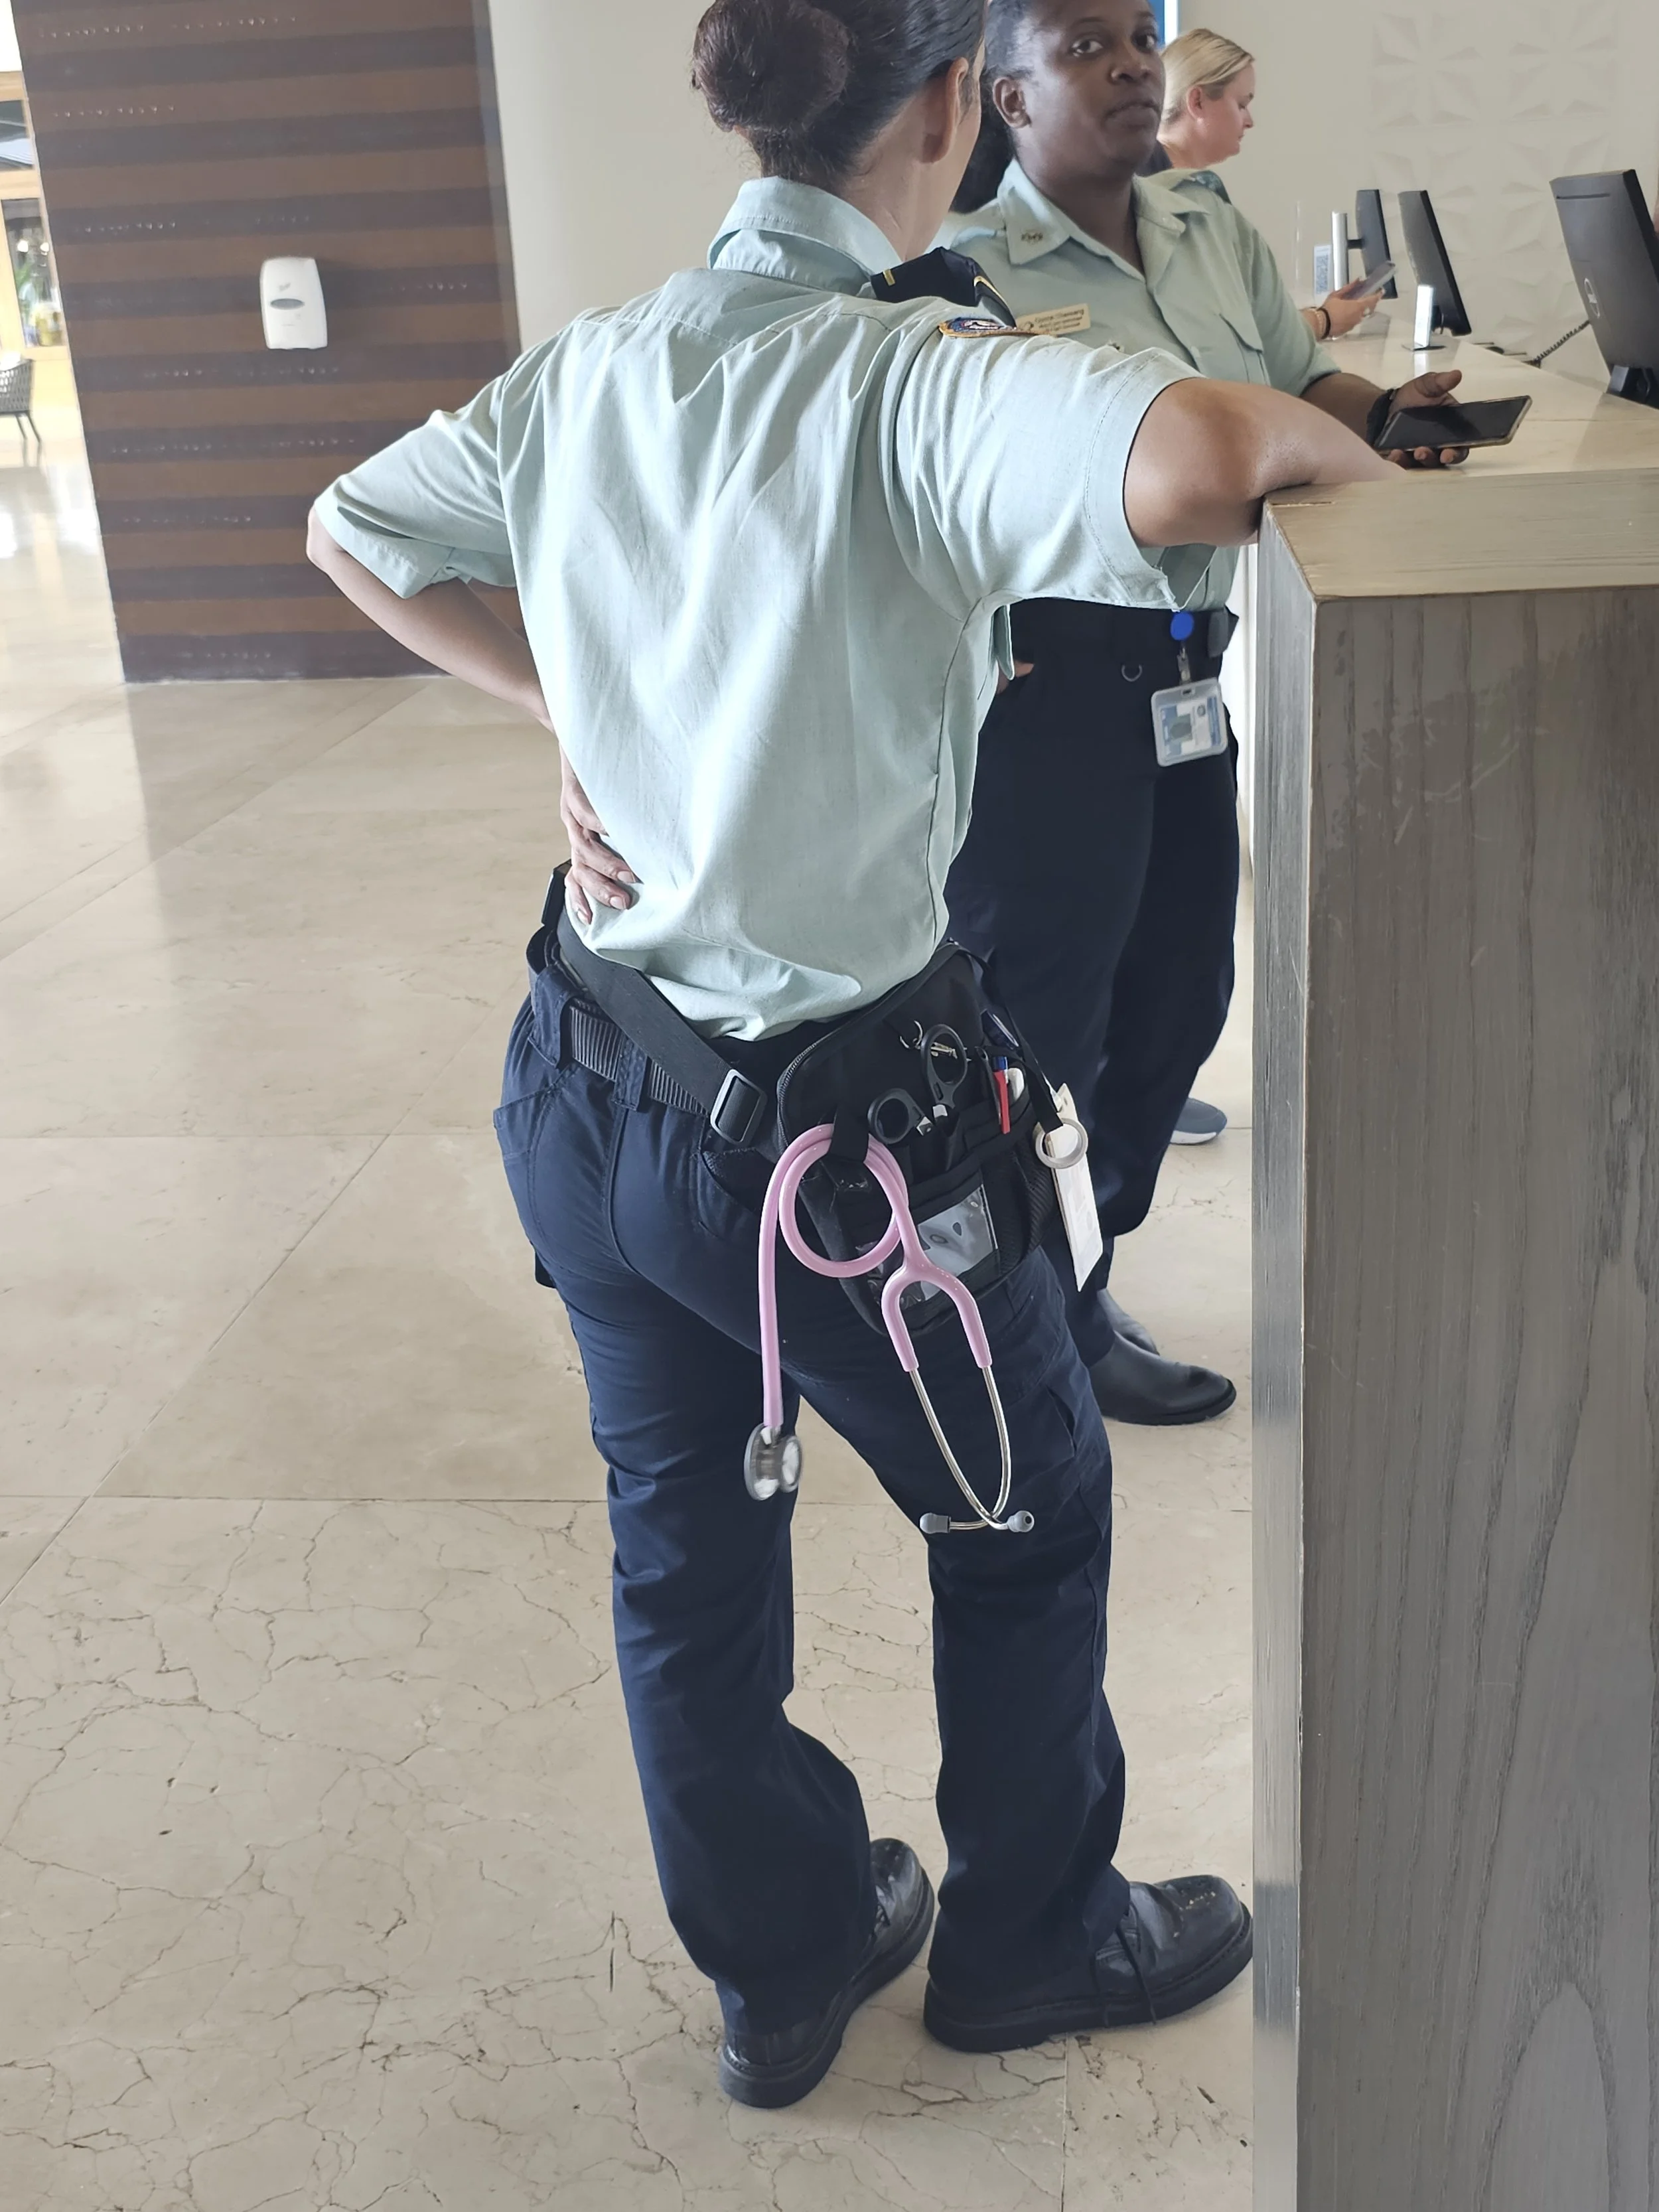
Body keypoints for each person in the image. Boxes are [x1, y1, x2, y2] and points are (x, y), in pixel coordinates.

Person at [308, 0, 1394, 2113]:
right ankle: (1019, 1935)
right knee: (1029, 1505)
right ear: (943, 107)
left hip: (589, 1084)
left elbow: (354, 529)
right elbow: (1189, 462)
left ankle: (781, 1964)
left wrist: (566, 713)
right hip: (834, 1153)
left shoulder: (602, 359)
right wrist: (1347, 444)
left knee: (679, 1537)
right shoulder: (910, 379)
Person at [922, 0, 1467, 1426]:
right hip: (1042, 690)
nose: (1126, 62)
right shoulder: (962, 275)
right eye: (1081, 45)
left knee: (1176, 997)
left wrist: (1390, 408)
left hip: (1180, 678)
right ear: (1003, 97)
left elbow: (1295, 383)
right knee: (1042, 1022)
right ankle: (1034, 1325)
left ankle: (1069, 1261)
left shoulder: (1207, 230)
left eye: (1132, 38)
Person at [1159, 29, 1377, 341]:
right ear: (1197, 101)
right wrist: (1324, 321)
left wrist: (1323, 316)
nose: (1249, 121)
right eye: (1242, 104)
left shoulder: (1153, 184)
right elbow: (1225, 336)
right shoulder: (1178, 197)